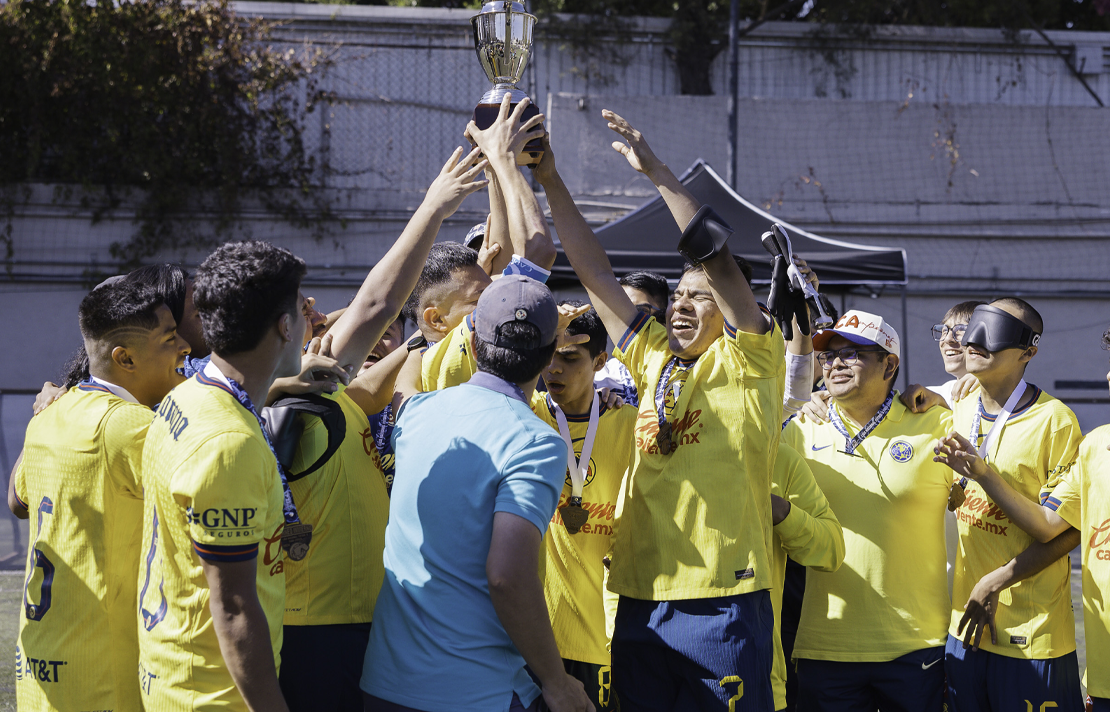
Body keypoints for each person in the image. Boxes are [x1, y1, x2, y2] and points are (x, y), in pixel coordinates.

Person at [538, 109, 782, 710]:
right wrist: (550, 179)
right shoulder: (653, 359)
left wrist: (657, 173)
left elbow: (717, 256)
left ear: (729, 309)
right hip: (640, 597)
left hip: (723, 597)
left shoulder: (752, 359)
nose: (680, 303)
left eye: (700, 296)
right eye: (677, 293)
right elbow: (594, 271)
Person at [276, 143, 490, 712]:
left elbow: (372, 384)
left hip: (363, 616)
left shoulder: (335, 397)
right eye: (302, 307)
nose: (318, 307)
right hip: (317, 625)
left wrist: (435, 331)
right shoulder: (290, 398)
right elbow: (376, 302)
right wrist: (432, 207)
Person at [361, 275, 593, 712]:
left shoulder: (418, 413)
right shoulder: (537, 442)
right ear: (548, 355)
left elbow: (403, 390)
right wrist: (556, 682)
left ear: (473, 339)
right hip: (477, 694)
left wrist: (424, 339)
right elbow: (508, 576)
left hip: (384, 685)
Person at [136, 241, 310, 712]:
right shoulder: (227, 443)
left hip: (177, 673)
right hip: (214, 695)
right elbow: (233, 608)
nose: (310, 320)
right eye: (302, 308)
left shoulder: (189, 395)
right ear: (283, 325)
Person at [11, 281, 189, 711]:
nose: (185, 346)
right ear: (124, 358)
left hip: (39, 663)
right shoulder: (130, 427)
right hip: (103, 671)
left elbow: (17, 500)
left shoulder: (50, 414)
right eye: (170, 337)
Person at [782, 310, 954, 711]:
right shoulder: (801, 430)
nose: (836, 364)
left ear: (889, 364)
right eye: (828, 356)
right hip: (824, 644)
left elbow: (986, 412)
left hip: (916, 644)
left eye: (853, 354)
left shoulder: (937, 422)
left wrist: (949, 390)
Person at [931, 298, 1083, 712]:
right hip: (964, 627)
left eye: (995, 331)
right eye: (975, 326)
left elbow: (1057, 530)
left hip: (1031, 633)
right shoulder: (957, 405)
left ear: (1028, 351)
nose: (974, 340)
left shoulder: (1055, 420)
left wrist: (983, 474)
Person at [530, 302, 638, 712]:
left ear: (599, 361)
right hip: (532, 636)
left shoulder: (628, 423)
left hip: (602, 634)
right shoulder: (525, 414)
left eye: (569, 358)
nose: (553, 369)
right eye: (547, 357)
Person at [767, 442, 845, 712]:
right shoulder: (650, 436)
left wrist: (782, 512)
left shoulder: (780, 450)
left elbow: (832, 550)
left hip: (794, 634)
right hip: (650, 646)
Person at [593, 270, 671, 405]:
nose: (627, 321)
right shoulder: (599, 375)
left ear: (664, 317)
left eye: (639, 312)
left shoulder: (684, 371)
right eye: (619, 311)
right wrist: (591, 402)